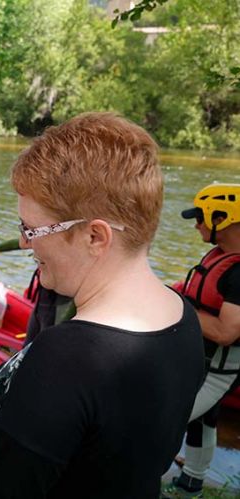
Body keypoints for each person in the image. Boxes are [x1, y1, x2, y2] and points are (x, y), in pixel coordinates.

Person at [0, 112, 205, 498]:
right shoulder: (183, 317)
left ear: (95, 236)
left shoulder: (65, 360)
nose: (24, 243)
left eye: (31, 229)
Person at [163, 183, 240, 498]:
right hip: (201, 359)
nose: (196, 224)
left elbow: (226, 332)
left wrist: (179, 305)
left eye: (200, 217)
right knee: (203, 422)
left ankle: (133, 478)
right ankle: (191, 484)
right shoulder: (221, 256)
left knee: (162, 418)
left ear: (222, 217)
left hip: (219, 369)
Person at [0, 239, 75, 344]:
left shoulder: (68, 251)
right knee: (30, 339)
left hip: (55, 306)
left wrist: (62, 327)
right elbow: (22, 242)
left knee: (46, 341)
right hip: (42, 304)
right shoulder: (46, 237)